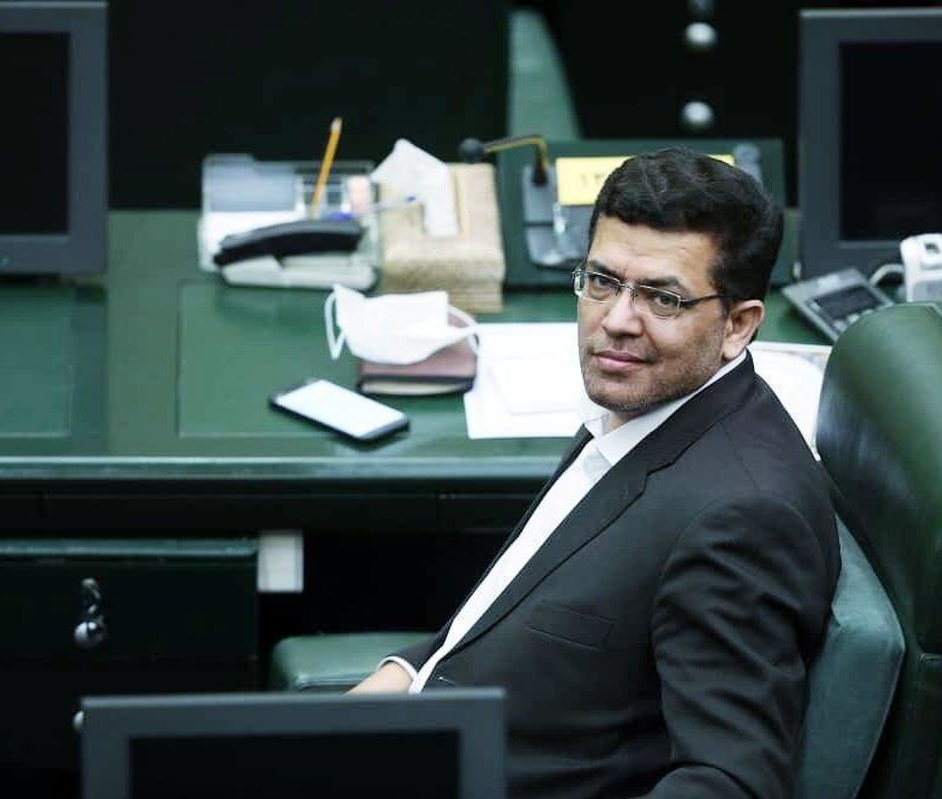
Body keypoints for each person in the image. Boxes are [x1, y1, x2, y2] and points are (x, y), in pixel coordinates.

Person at [352, 147, 839, 798]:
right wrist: (384, 690)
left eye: (662, 298)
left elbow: (729, 782)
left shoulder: (743, 519)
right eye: (603, 281)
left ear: (738, 326)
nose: (615, 321)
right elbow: (502, 627)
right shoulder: (639, 406)